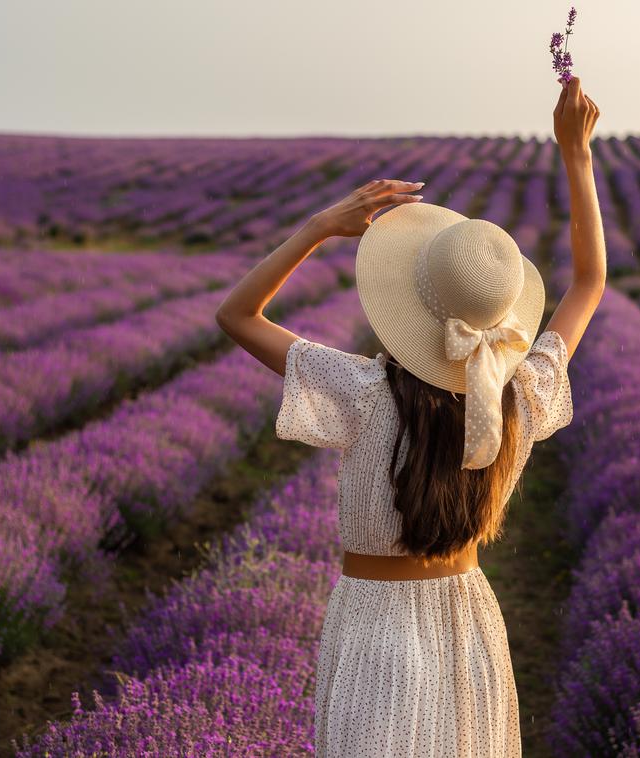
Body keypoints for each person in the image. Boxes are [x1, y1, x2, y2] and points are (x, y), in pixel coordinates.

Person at [215, 76, 605, 757]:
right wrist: (577, 155)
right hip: (469, 623)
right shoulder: (520, 395)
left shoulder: (365, 393)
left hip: (374, 629)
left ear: (410, 308)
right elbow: (590, 282)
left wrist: (319, 228)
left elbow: (236, 315)